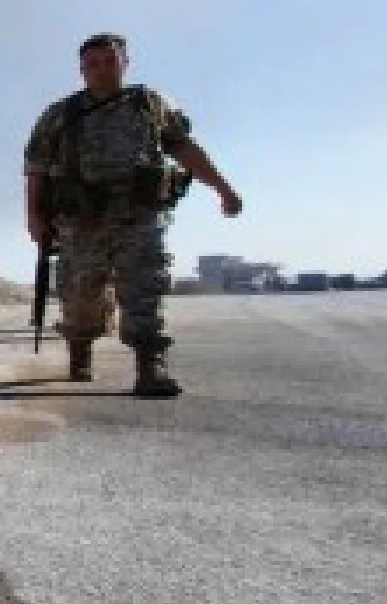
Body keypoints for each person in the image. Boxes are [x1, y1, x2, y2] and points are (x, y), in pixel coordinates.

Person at [23, 33, 243, 397]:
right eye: (93, 64)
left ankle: (150, 364)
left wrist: (222, 188)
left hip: (139, 215)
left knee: (145, 287)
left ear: (125, 63)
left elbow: (184, 148)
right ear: (81, 69)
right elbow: (36, 167)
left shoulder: (150, 104)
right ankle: (80, 348)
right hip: (81, 221)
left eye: (110, 61)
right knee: (80, 295)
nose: (101, 70)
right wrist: (34, 217)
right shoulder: (61, 116)